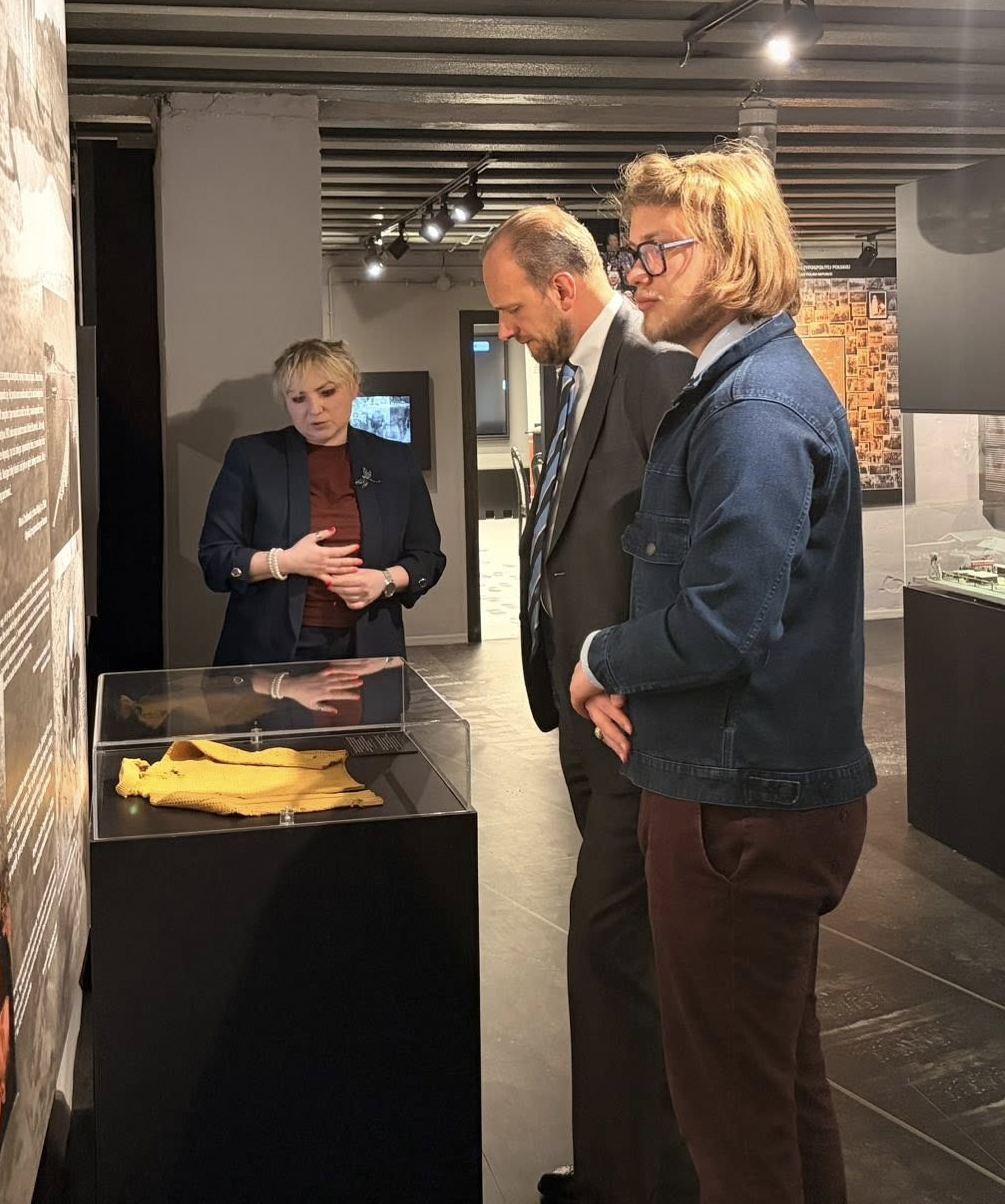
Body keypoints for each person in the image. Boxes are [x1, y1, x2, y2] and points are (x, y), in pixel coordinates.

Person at [569, 141, 876, 1204]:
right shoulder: (747, 392)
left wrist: (600, 658)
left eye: (658, 249)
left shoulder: (750, 411)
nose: (634, 273)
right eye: (630, 251)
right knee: (773, 1087)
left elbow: (722, 624)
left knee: (730, 1121)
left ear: (735, 251)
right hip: (748, 791)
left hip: (734, 807)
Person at [481, 207, 694, 1204]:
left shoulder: (652, 368)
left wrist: (636, 669)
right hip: (584, 709)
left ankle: (636, 1177)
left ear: (562, 288)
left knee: (612, 948)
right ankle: (623, 1164)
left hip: (632, 717)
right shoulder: (577, 375)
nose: (504, 330)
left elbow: (688, 544)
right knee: (622, 955)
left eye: (510, 309)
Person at [199, 339, 444, 667]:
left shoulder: (395, 460)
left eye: (327, 392)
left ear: (353, 387)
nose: (314, 410)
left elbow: (427, 557)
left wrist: (384, 580)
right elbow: (215, 558)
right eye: (298, 398)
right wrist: (285, 562)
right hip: (269, 653)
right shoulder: (252, 457)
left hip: (369, 651)